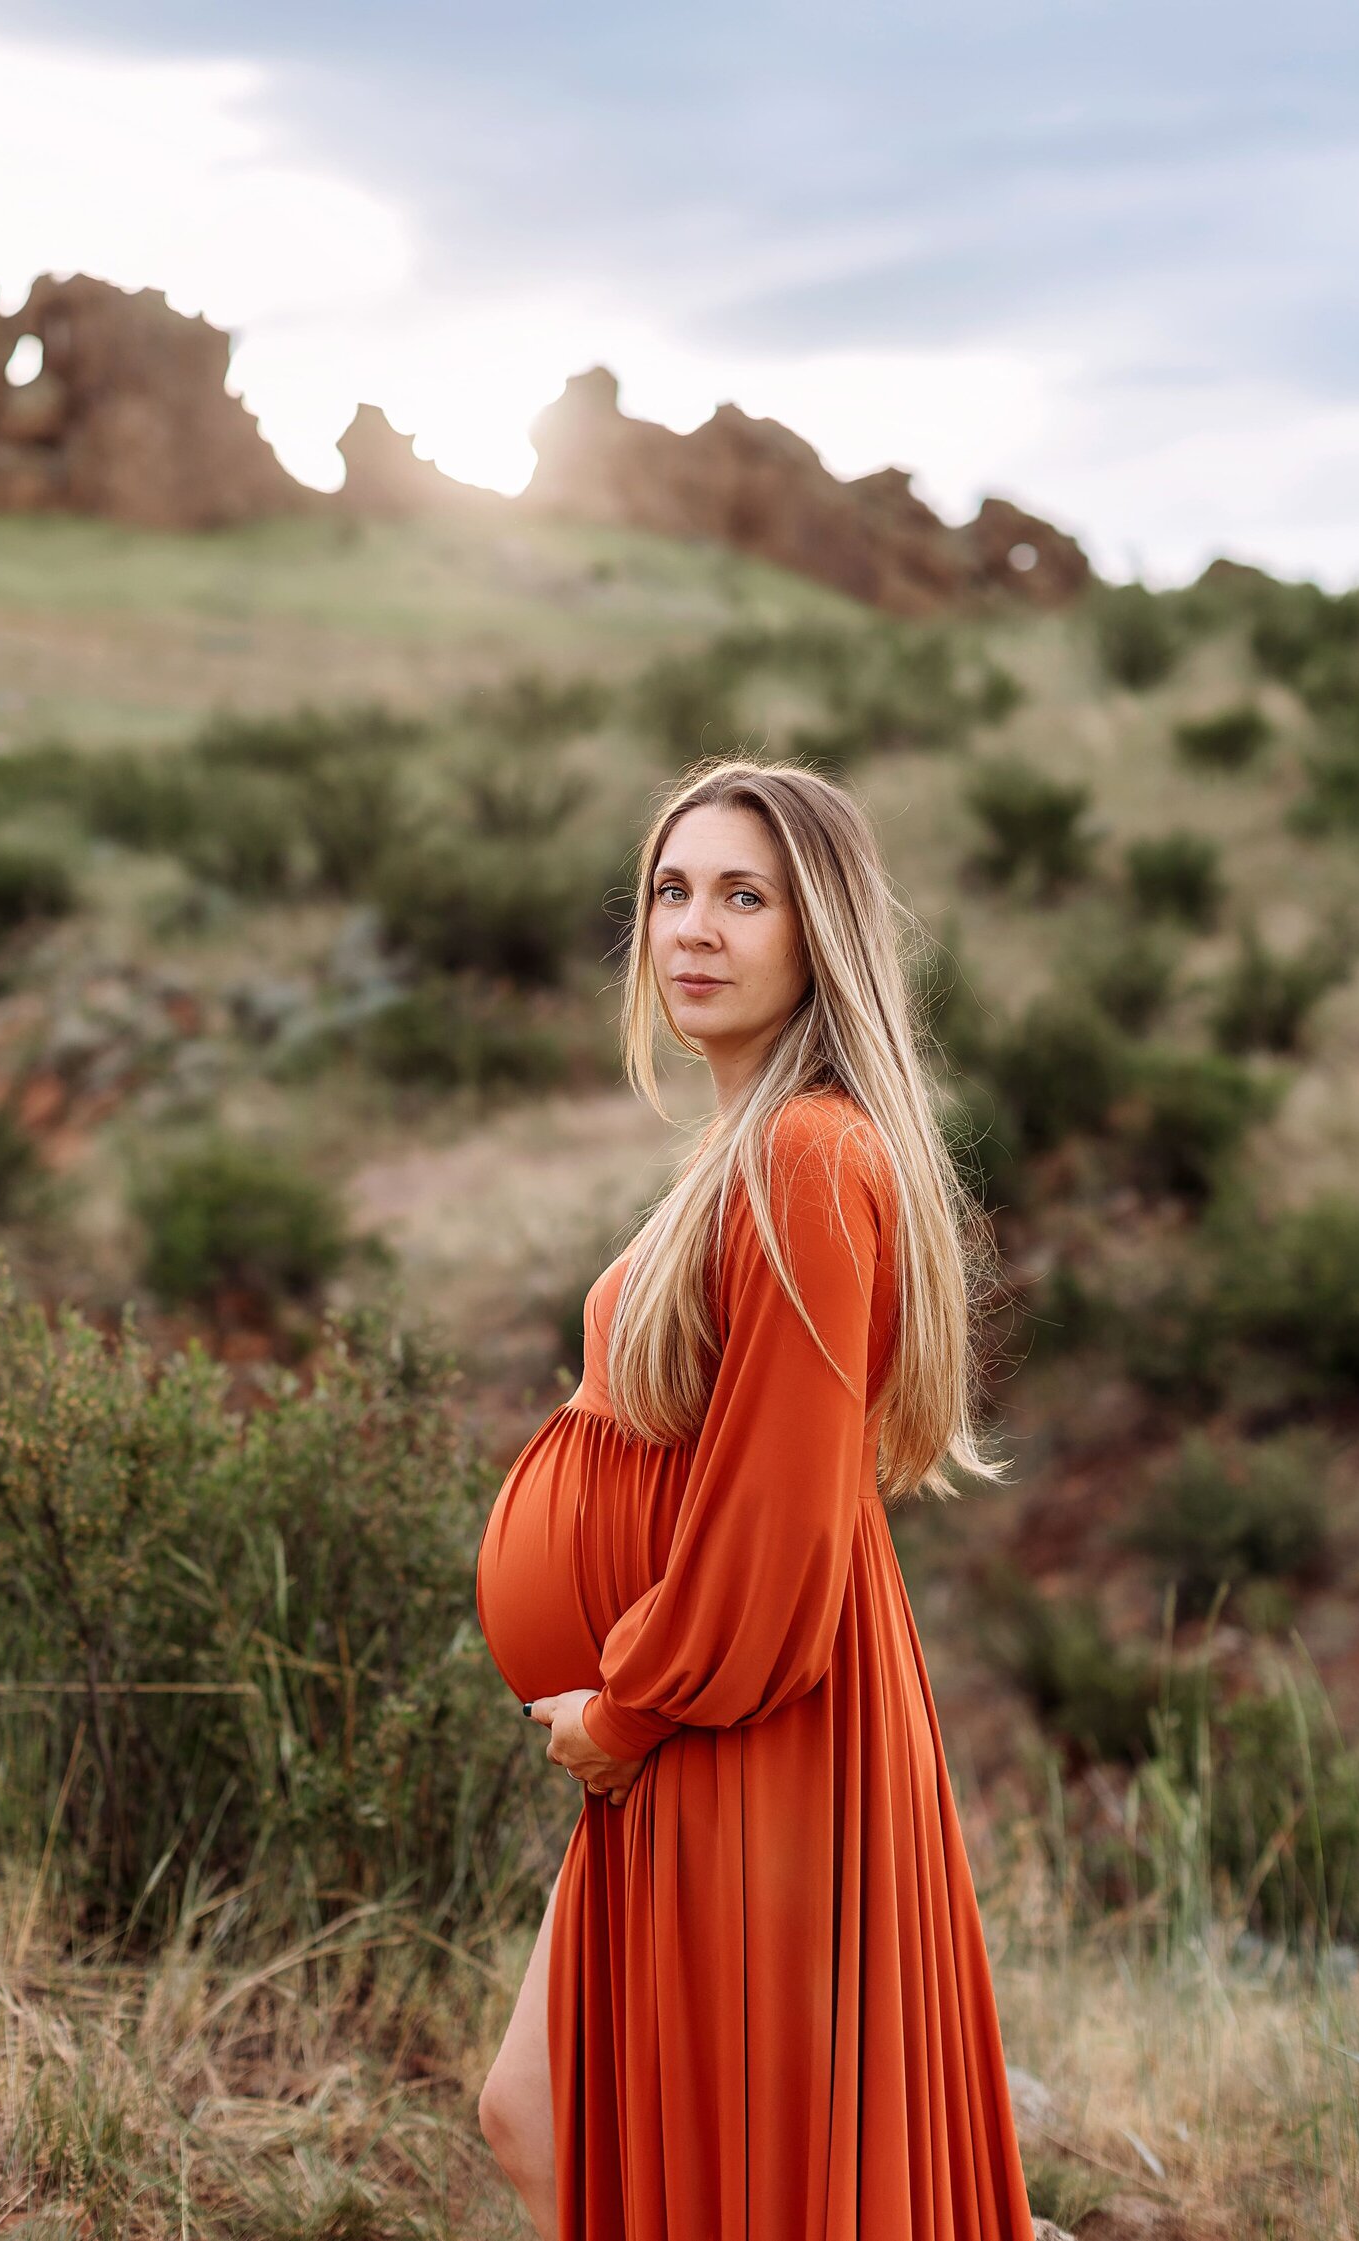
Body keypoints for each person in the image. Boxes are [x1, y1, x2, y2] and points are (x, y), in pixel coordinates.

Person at [474, 757, 1036, 2240]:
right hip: (701, 1728)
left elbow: (784, 1522)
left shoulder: (802, 1152)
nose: (694, 928)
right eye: (671, 891)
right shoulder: (745, 1148)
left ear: (819, 932)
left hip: (741, 1723)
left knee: (742, 2179)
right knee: (551, 2123)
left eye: (745, 895)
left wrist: (626, 1704)